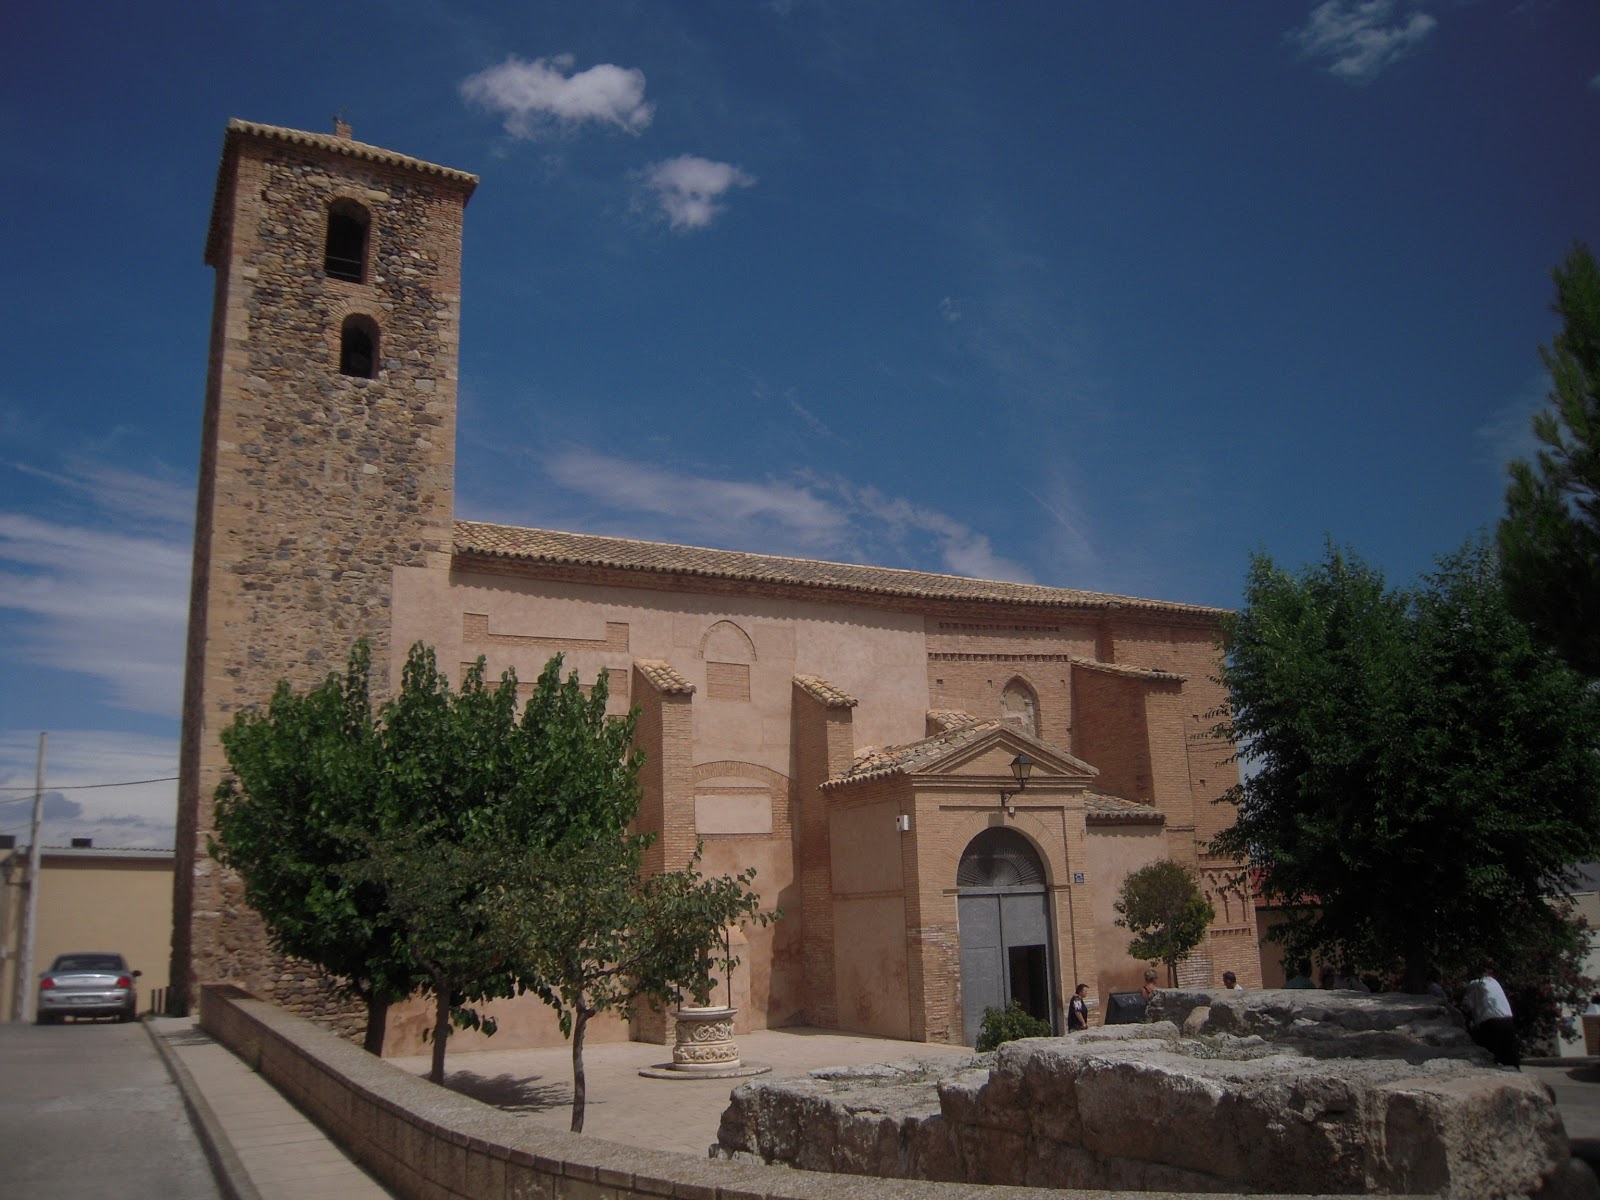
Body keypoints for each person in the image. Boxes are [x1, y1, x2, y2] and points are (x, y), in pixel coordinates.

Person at [1461, 968, 1519, 1068]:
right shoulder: (1494, 982)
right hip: (1508, 1020)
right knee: (1510, 1057)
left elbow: (1466, 1006)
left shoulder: (1475, 984)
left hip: (1491, 1023)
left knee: (1490, 1057)